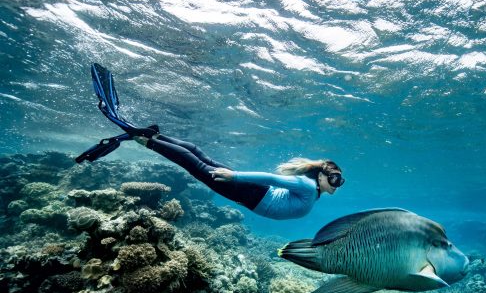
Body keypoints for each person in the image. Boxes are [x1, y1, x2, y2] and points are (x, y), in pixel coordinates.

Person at [76, 63, 345, 220]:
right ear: (321, 175)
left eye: (338, 181)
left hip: (252, 193)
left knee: (197, 155)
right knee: (197, 167)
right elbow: (270, 178)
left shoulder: (312, 191)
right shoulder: (308, 187)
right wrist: (235, 176)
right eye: (334, 178)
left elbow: (274, 187)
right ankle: (143, 139)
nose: (336, 184)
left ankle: (154, 136)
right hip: (251, 192)